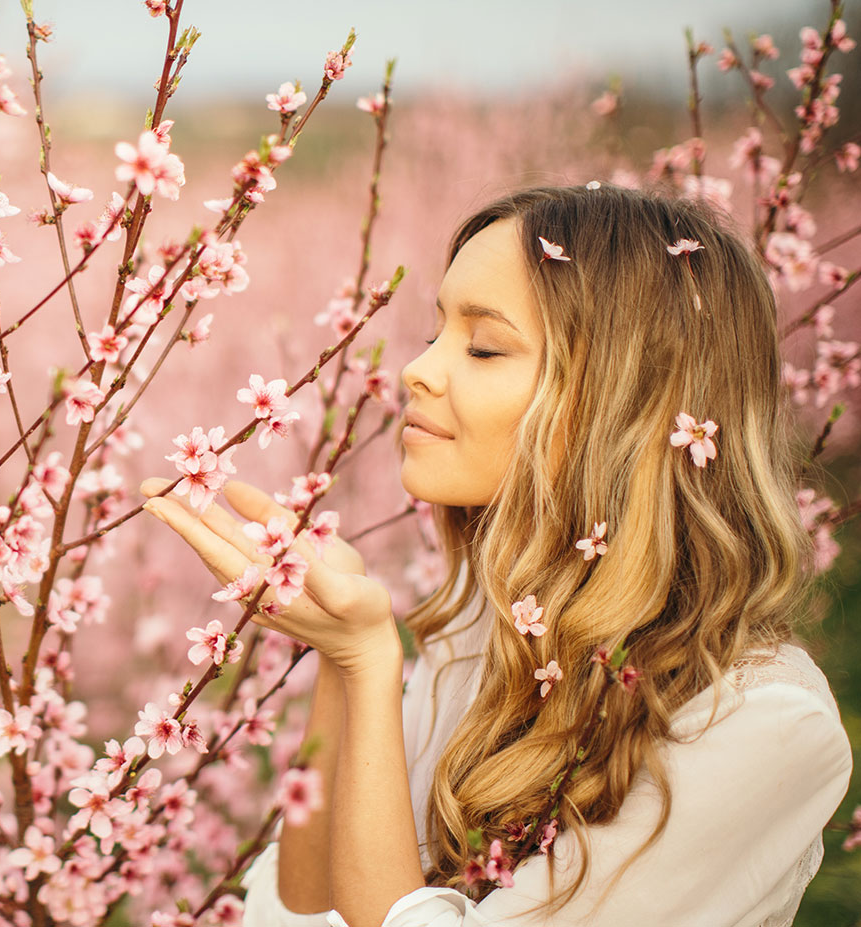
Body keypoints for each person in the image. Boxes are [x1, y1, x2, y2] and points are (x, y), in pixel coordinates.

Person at [141, 184, 853, 927]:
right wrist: (339, 659)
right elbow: (291, 917)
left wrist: (368, 662)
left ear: (622, 402)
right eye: (435, 332)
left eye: (483, 345)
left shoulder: (762, 726)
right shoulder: (484, 636)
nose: (416, 371)